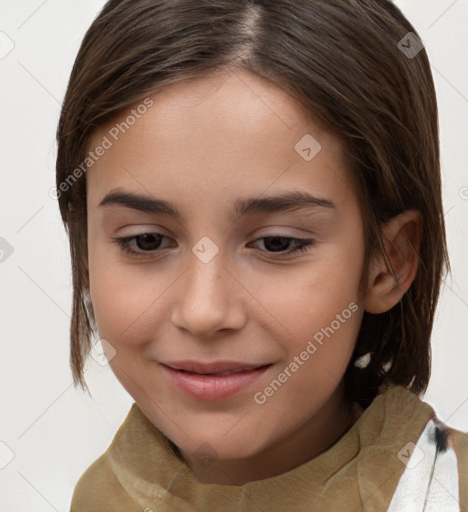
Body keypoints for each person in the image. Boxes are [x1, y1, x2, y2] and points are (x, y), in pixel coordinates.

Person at [54, 0, 468, 510]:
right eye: (147, 241)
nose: (204, 312)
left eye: (277, 243)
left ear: (389, 260)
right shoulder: (97, 498)